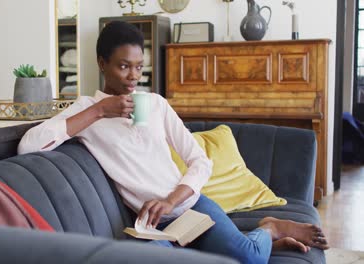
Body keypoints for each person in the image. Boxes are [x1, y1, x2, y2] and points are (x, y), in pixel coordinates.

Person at [18, 21, 329, 264]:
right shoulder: (85, 110)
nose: (132, 76)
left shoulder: (154, 104)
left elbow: (199, 160)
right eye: (123, 66)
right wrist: (100, 111)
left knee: (247, 257)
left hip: (190, 206)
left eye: (139, 67)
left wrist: (171, 199)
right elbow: (29, 146)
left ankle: (269, 228)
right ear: (102, 63)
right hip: (151, 225)